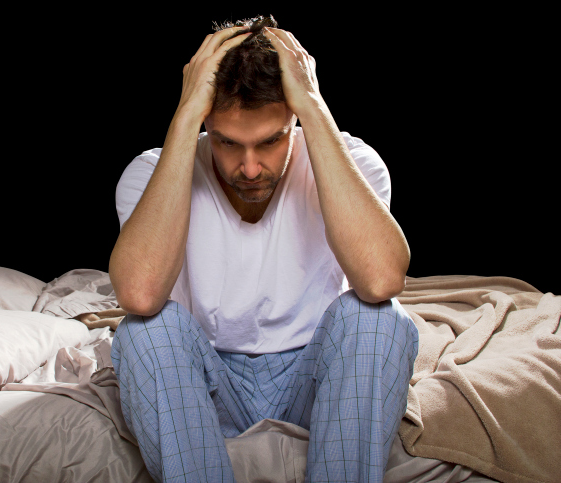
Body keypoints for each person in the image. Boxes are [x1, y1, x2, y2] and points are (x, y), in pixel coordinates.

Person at [109, 15, 419, 483]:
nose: (250, 168)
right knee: (144, 330)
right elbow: (139, 294)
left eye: (270, 141)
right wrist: (185, 117)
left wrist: (313, 107)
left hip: (316, 383)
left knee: (379, 318)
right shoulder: (152, 172)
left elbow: (380, 280)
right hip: (207, 383)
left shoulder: (352, 163)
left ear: (293, 118)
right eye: (228, 142)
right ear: (206, 122)